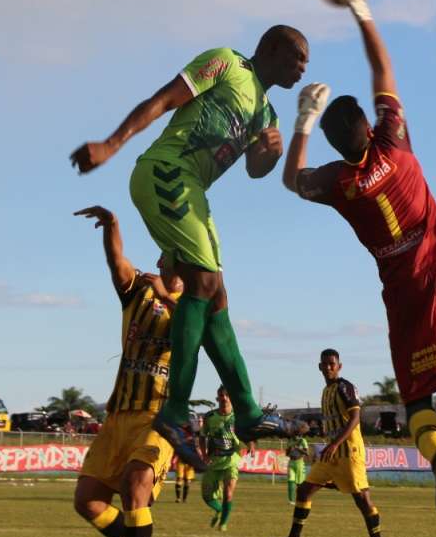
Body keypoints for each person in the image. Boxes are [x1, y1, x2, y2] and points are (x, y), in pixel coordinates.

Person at [282, 0, 436, 528]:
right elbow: (383, 68)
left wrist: (303, 119)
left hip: (404, 294)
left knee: (419, 401)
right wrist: (359, 7)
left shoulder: (338, 182)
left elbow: (291, 180)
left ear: (336, 145)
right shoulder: (395, 142)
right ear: (370, 127)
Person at [70, 27, 312, 470]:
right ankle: (175, 413)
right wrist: (111, 144)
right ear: (273, 48)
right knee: (203, 284)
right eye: (298, 57)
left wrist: (271, 152)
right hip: (167, 171)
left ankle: (247, 413)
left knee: (216, 295)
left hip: (194, 191)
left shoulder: (267, 112)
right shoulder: (226, 61)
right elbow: (163, 99)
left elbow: (257, 171)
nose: (303, 68)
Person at [71, 205, 186, 537]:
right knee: (88, 501)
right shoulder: (137, 288)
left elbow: (193, 336)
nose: (166, 255)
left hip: (158, 417)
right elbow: (116, 261)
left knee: (136, 488)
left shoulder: (193, 303)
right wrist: (113, 226)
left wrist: (164, 295)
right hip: (120, 412)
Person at [267, 349, 384, 537]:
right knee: (304, 491)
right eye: (325, 364)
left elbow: (355, 418)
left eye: (332, 364)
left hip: (349, 451)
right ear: (319, 367)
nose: (329, 367)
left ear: (339, 366)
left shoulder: (344, 387)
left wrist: (336, 443)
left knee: (362, 499)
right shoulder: (325, 391)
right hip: (331, 453)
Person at [200, 386, 245, 532]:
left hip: (231, 460)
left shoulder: (238, 417)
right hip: (214, 460)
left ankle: (223, 524)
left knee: (228, 493)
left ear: (231, 397)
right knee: (207, 497)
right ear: (217, 398)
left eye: (227, 395)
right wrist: (205, 455)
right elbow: (202, 436)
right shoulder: (210, 417)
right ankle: (219, 510)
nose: (224, 398)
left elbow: (249, 433)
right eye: (221, 395)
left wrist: (250, 444)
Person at [284, 432, 310, 504]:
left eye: (297, 434)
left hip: (299, 463)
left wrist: (298, 448)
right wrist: (290, 449)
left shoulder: (303, 441)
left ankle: (301, 499)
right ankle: (291, 501)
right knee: (290, 481)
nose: (296, 435)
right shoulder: (290, 441)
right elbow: (287, 454)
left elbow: (307, 453)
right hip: (291, 462)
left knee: (300, 483)